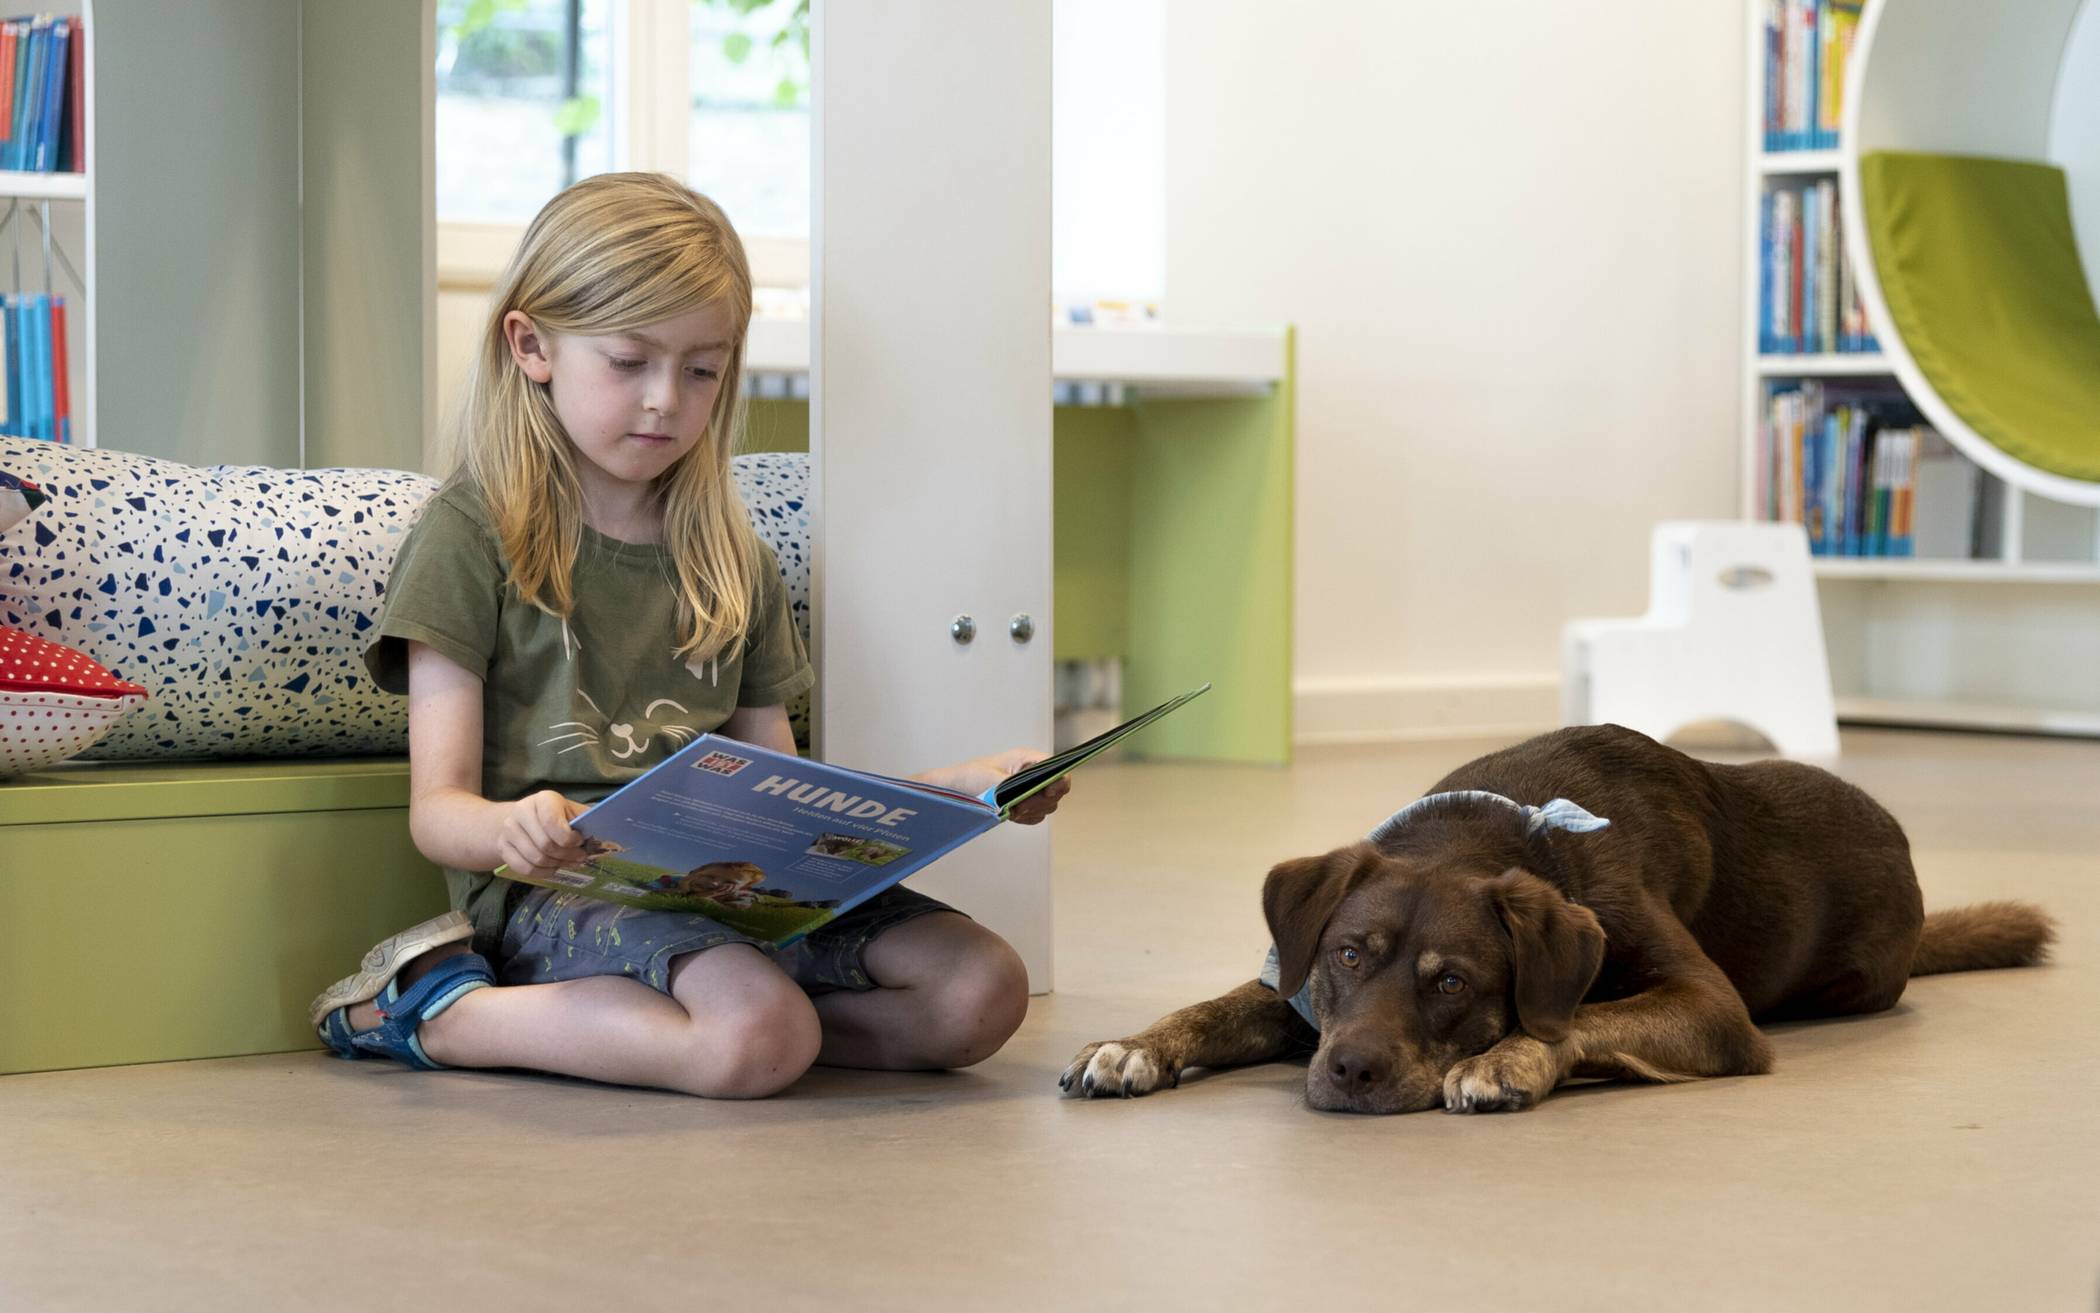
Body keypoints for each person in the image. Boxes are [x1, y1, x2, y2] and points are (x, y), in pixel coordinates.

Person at [309, 172, 1064, 1098]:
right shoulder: (471, 535)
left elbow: (789, 798)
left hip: (730, 886)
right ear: (531, 344)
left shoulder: (729, 554)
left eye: (702, 369)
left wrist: (953, 791)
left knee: (982, 988)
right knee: (753, 1034)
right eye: (629, 362)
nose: (667, 398)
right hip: (561, 892)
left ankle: (742, 1017)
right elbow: (438, 810)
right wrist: (512, 827)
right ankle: (436, 1010)